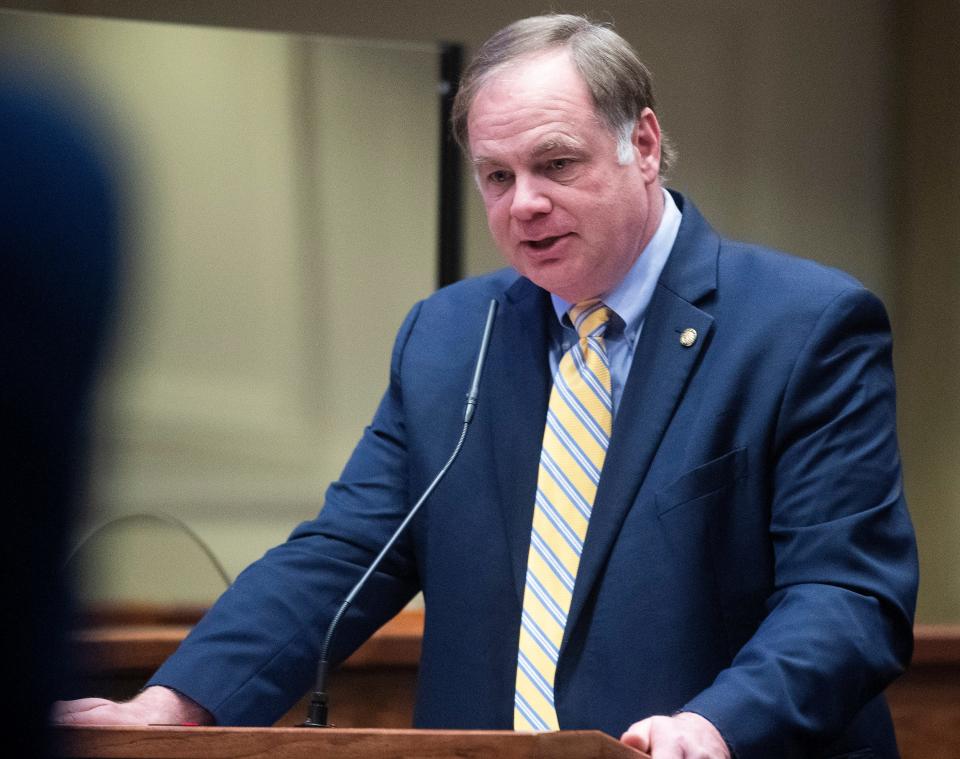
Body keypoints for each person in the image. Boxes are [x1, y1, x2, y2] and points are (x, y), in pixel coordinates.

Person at [53, 14, 918, 759]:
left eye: (556, 164)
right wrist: (172, 705)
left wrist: (718, 723)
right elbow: (343, 555)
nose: (524, 204)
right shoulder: (451, 336)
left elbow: (847, 596)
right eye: (497, 177)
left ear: (643, 144)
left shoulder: (804, 327)